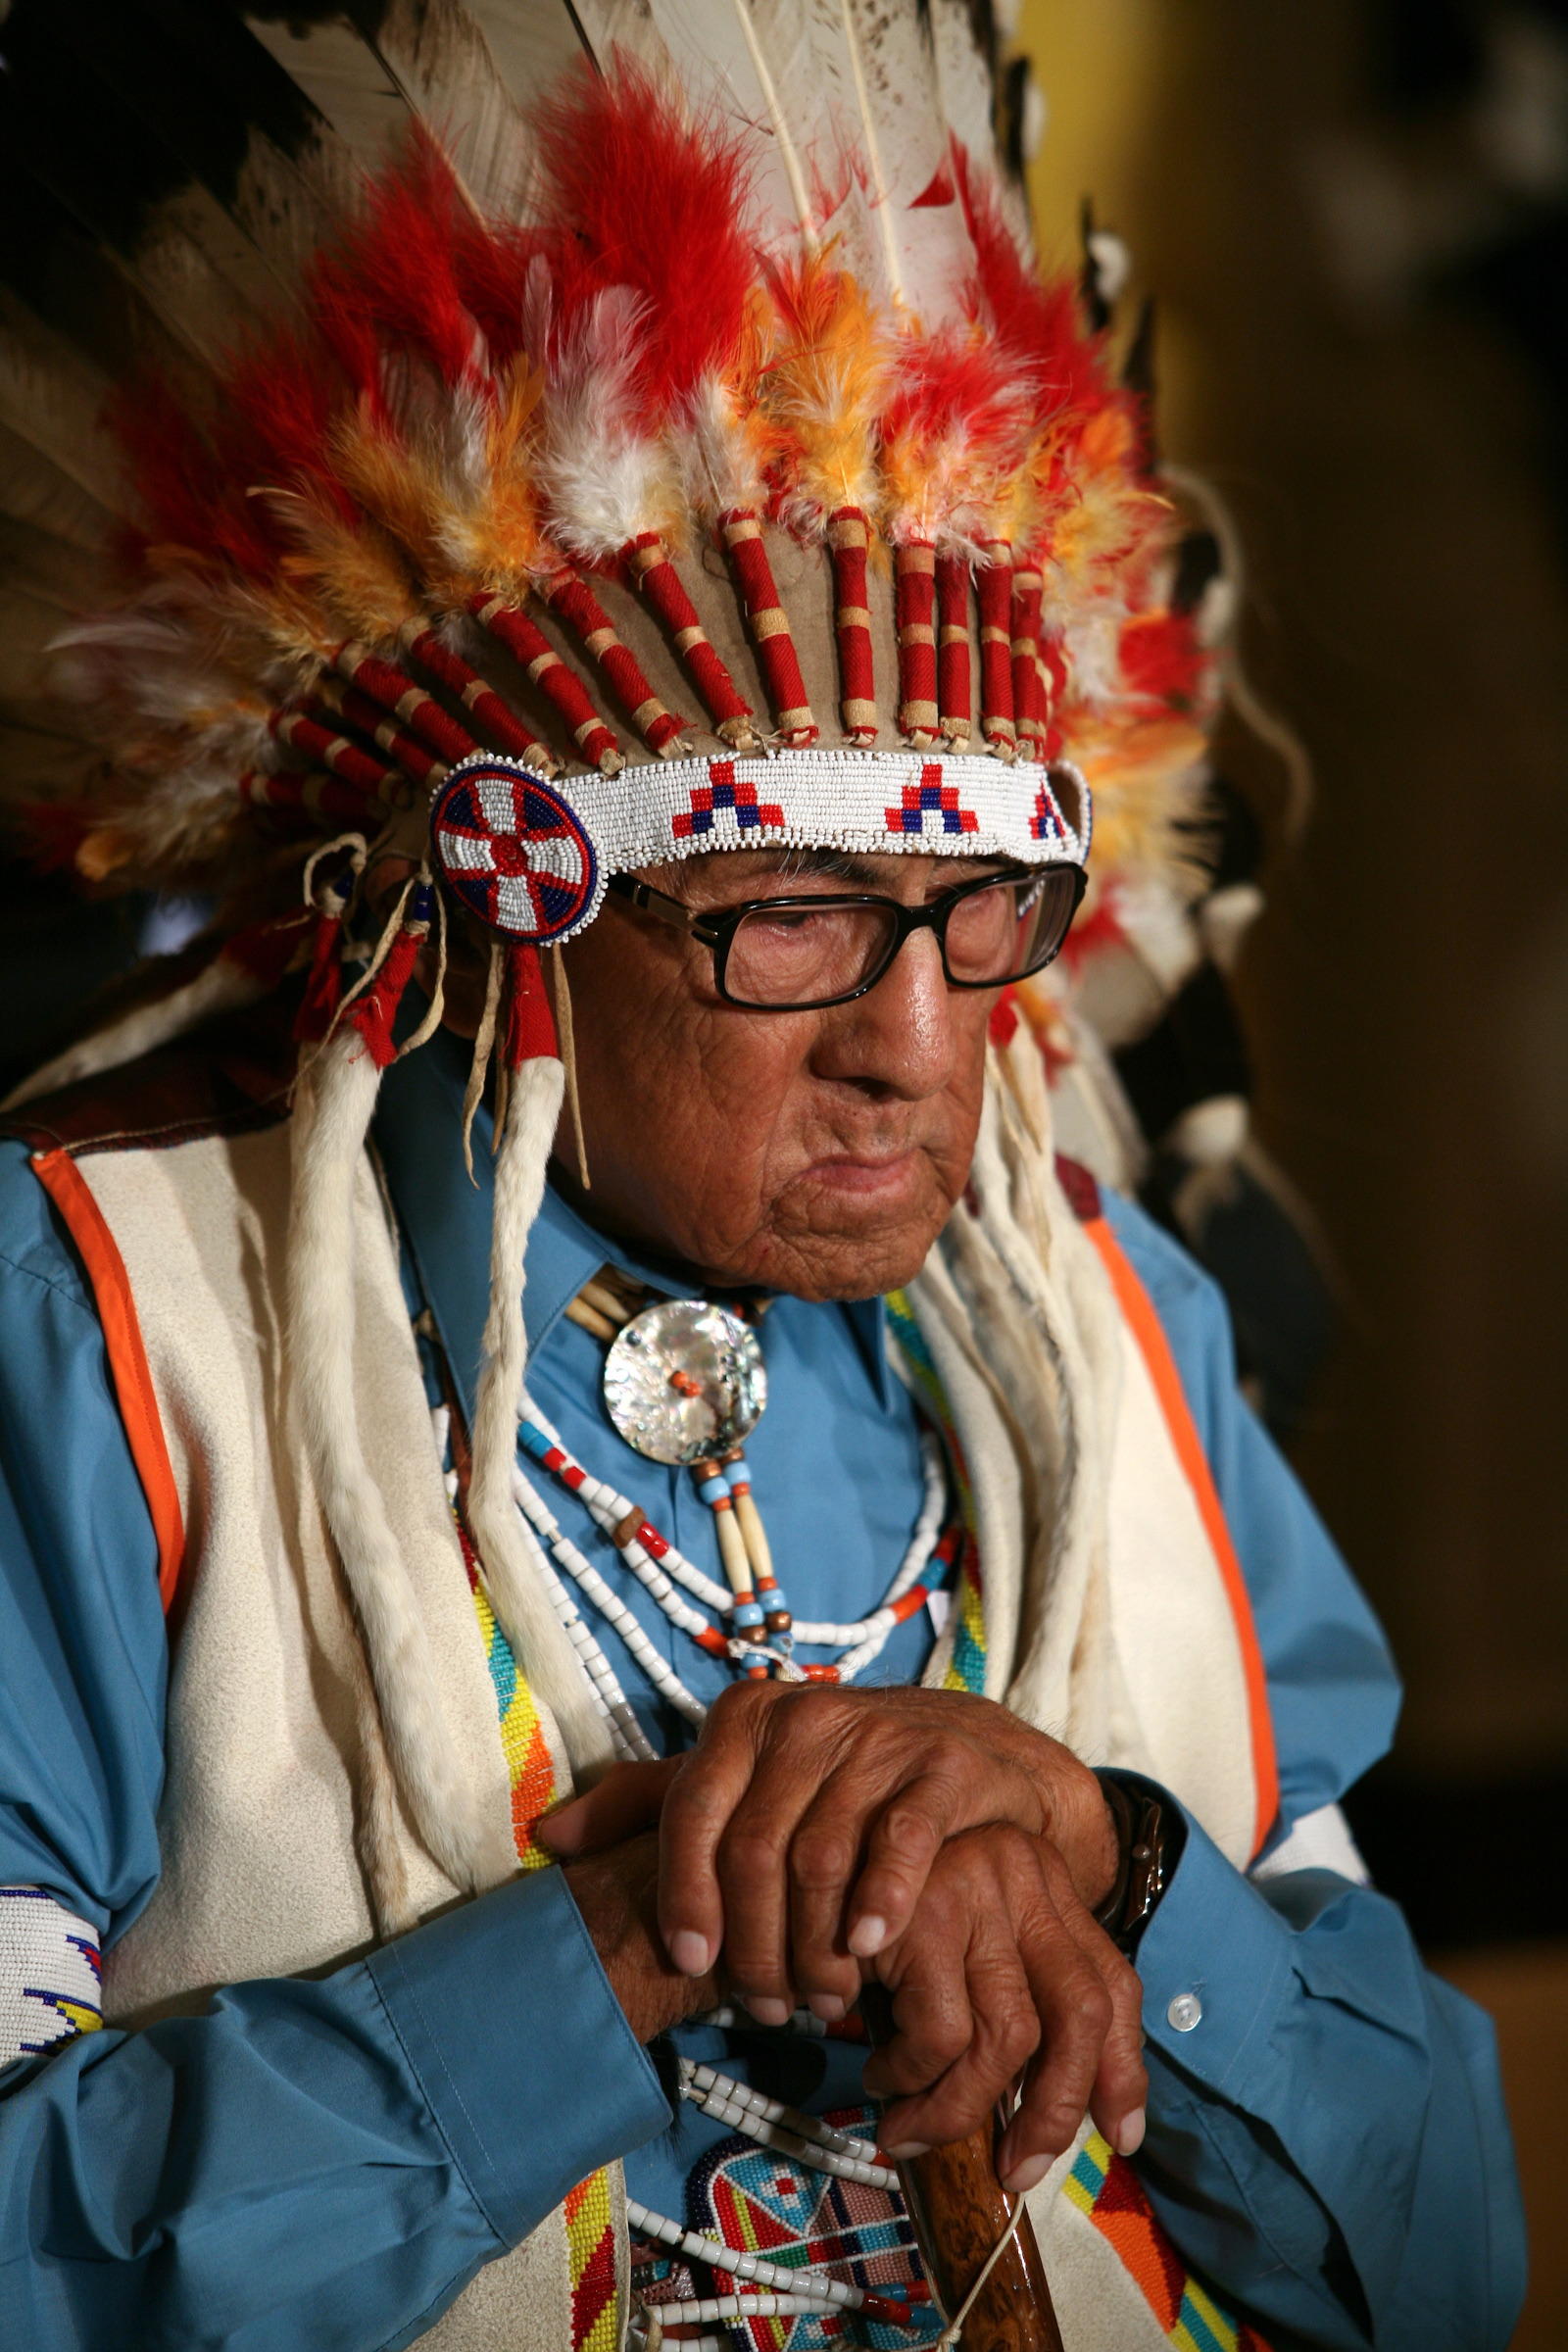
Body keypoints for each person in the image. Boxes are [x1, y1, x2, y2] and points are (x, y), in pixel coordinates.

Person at [0, 5, 1524, 2346]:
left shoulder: (1104, 1336)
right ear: (499, 903)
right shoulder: (104, 1333)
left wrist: (1105, 1867)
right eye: (782, 913)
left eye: (985, 901)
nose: (915, 1044)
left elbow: (1437, 2271)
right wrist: (627, 1947)